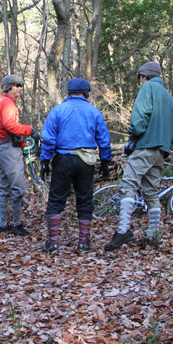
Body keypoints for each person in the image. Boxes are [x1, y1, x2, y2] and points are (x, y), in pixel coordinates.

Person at [105, 61, 173, 251]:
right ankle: (153, 234)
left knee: (128, 184)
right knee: (151, 191)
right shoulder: (170, 98)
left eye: (140, 78)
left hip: (145, 146)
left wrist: (133, 137)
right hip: (161, 150)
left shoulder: (147, 88)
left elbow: (140, 117)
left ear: (143, 76)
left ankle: (123, 231)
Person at [40, 78, 112, 252]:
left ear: (68, 92)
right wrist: (105, 162)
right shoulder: (94, 112)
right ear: (86, 93)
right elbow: (103, 140)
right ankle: (83, 242)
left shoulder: (57, 111)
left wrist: (45, 161)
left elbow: (48, 139)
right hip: (86, 161)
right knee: (85, 199)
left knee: (56, 200)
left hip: (62, 159)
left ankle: (54, 242)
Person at [0, 74, 39, 236]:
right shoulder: (7, 103)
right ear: (8, 87)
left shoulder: (5, 102)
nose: (20, 88)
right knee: (19, 188)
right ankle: (17, 225)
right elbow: (10, 125)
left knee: (5, 187)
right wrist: (30, 131)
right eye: (16, 85)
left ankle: (3, 224)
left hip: (4, 148)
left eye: (21, 85)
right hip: (8, 150)